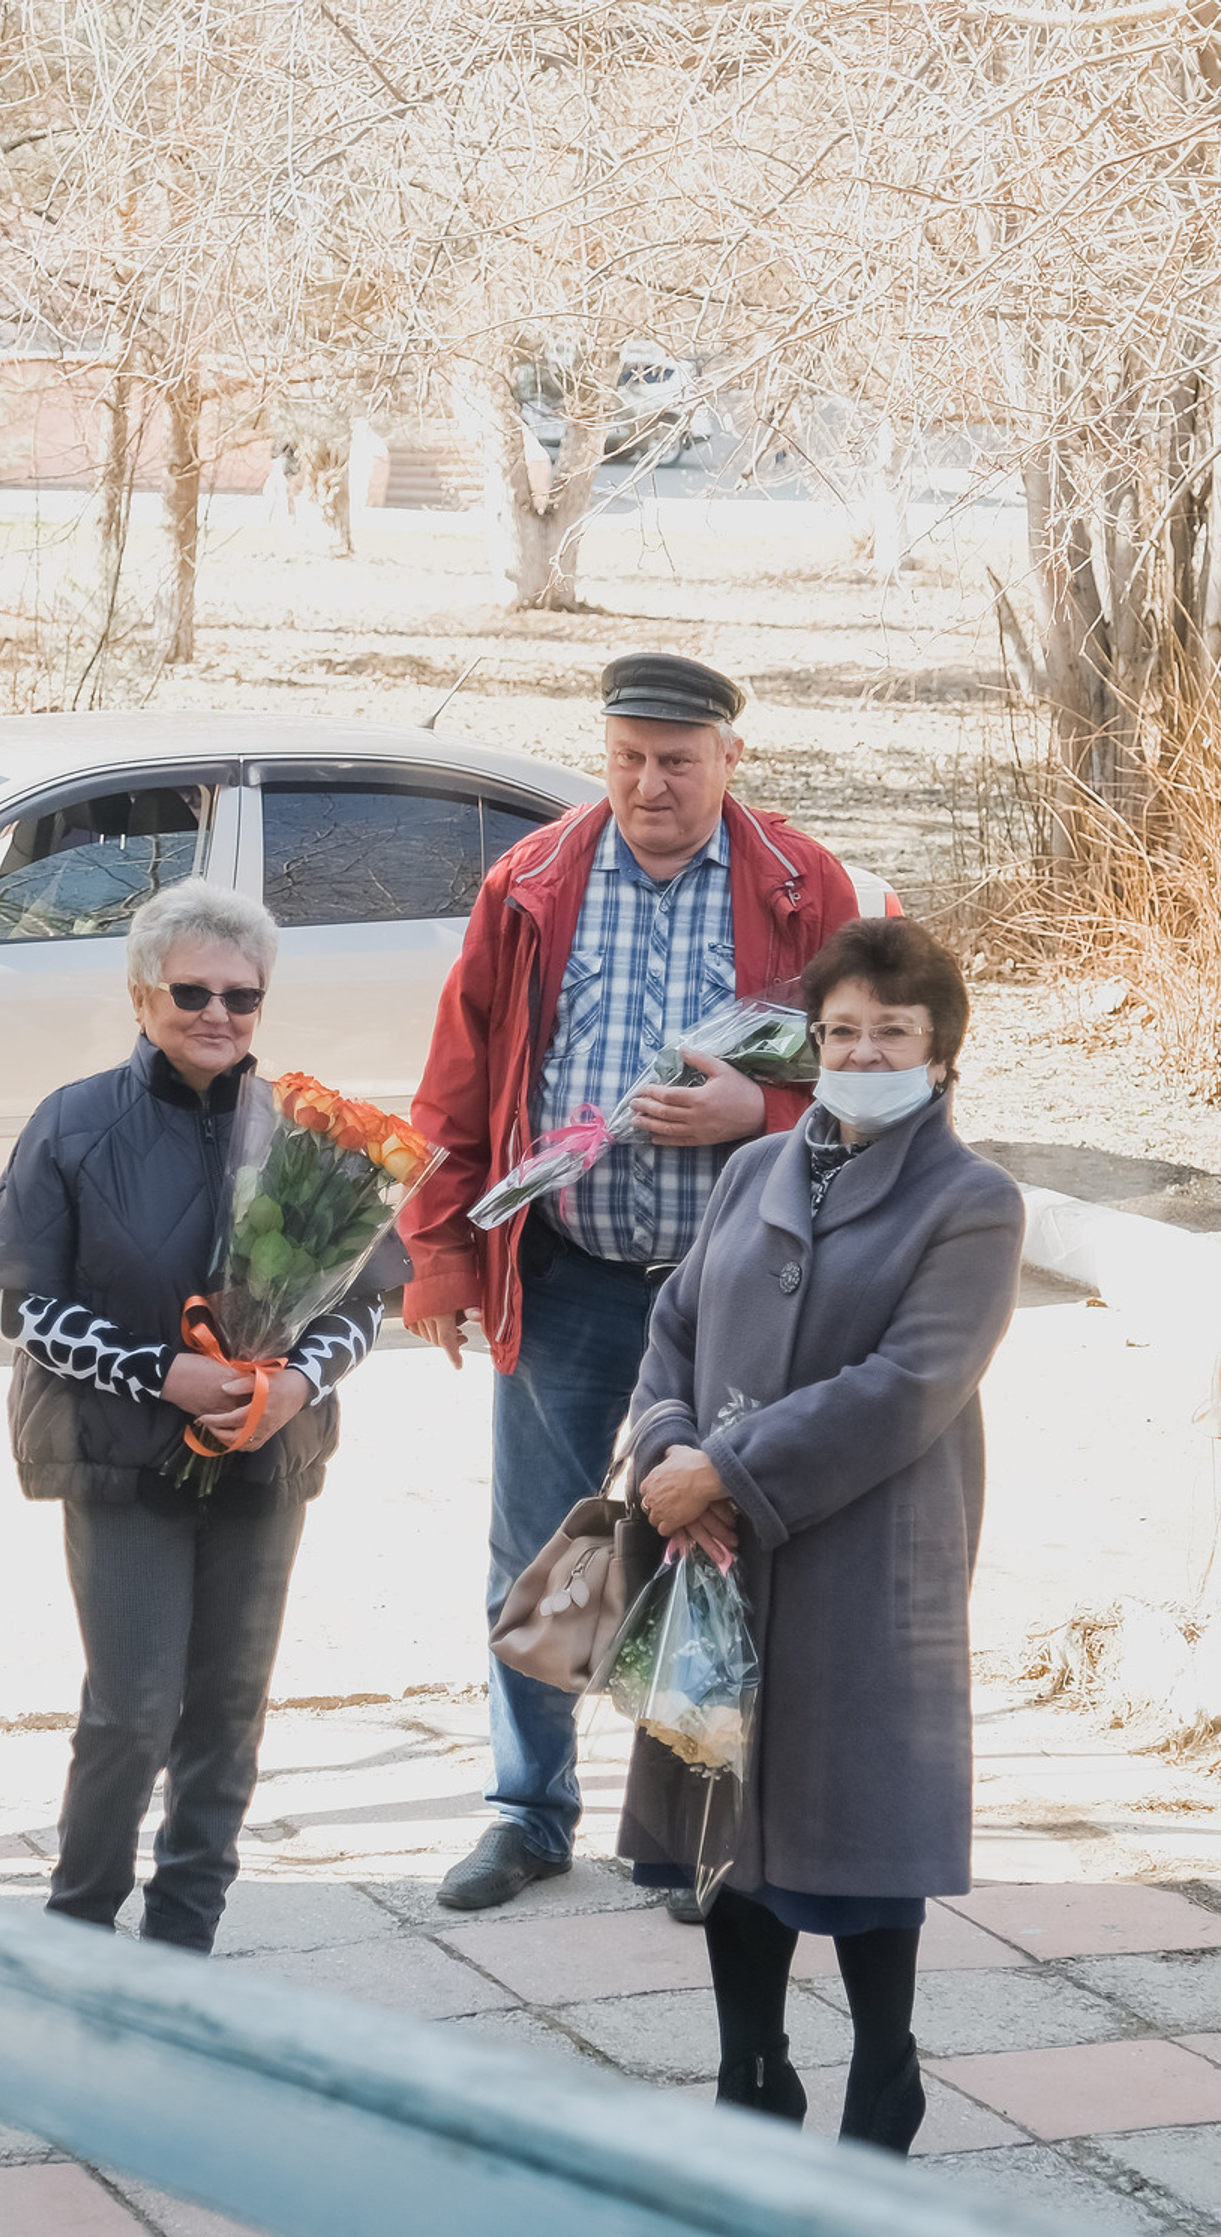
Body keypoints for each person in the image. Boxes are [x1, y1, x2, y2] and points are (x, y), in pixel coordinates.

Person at [404, 651, 861, 1913]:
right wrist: (441, 1249)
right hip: (568, 1272)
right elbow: (460, 1073)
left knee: (721, 1542)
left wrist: (760, 1108)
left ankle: (701, 1827)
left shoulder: (798, 885)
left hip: (743, 1295)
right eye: (626, 759)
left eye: (675, 760)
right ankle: (525, 1810)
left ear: (729, 760)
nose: (649, 784)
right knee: (545, 1548)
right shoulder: (535, 879)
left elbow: (883, 1067)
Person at [621, 917, 1022, 2147]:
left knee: (859, 1828)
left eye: (890, 1033)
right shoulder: (756, 1168)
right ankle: (751, 2069)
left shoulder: (972, 1204)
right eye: (841, 1030)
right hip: (720, 1556)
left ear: (940, 1054)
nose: (860, 1053)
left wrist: (723, 1470)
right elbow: (674, 1325)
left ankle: (883, 2072)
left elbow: (909, 1382)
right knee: (725, 1816)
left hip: (868, 1550)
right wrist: (665, 1445)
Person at [0, 880, 382, 1955]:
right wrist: (159, 1372)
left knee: (228, 1712)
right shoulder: (75, 1120)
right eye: (190, 990)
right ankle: (79, 1933)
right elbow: (18, 1301)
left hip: (262, 1459)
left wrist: (294, 1384)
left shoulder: (308, 1132)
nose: (217, 1014)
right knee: (132, 1711)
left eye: (242, 997)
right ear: (141, 993)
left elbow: (364, 1301)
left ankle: (183, 1944)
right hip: (123, 1457)